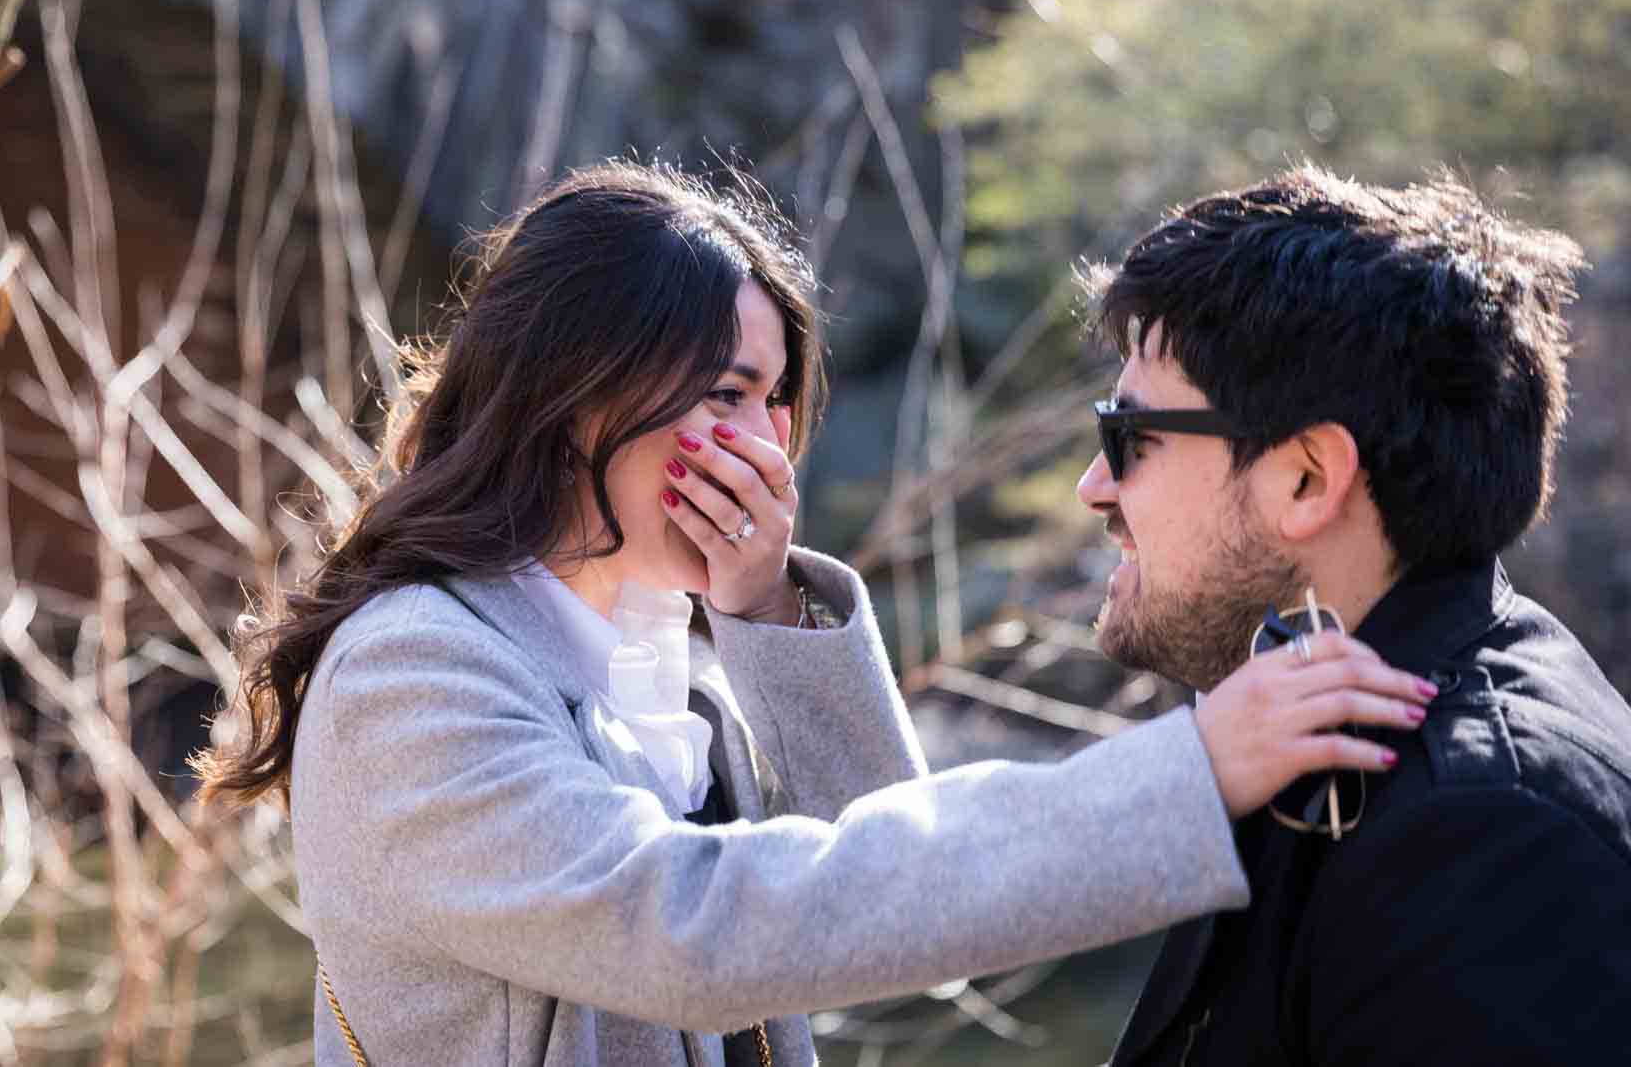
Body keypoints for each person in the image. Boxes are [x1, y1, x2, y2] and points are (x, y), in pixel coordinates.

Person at [194, 161, 1431, 1067]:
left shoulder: (673, 656)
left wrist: (767, 609)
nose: (765, 448)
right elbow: (686, 930)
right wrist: (1184, 776)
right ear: (577, 393)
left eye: (775, 402)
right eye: (728, 394)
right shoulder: (411, 670)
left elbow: (888, 881)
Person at [1077, 165, 1631, 1066]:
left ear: (1307, 478)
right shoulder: (1302, 724)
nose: (1094, 488)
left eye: (1128, 438)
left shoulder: (1486, 846)